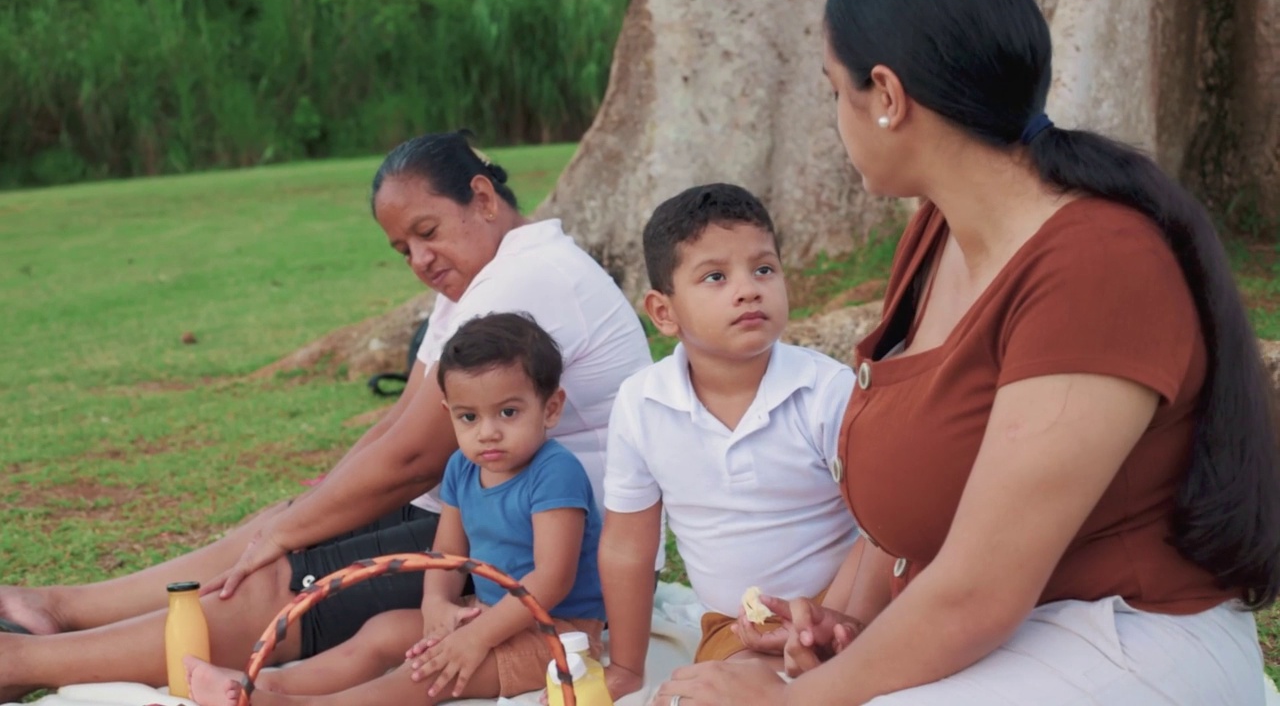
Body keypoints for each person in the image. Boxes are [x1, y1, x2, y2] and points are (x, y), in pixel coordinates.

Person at [650, 0, 1280, 705]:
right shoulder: (937, 235)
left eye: (836, 91)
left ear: (885, 93)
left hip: (1125, 638)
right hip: (1000, 633)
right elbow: (915, 497)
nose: (836, 118)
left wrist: (788, 701)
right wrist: (841, 627)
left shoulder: (1097, 264)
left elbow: (981, 590)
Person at [0, 131, 651, 702]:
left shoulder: (529, 278)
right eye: (404, 249)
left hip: (545, 534)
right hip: (484, 499)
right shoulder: (483, 279)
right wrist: (298, 516)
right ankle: (57, 608)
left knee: (279, 576)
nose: (420, 261)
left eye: (427, 232)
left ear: (482, 197)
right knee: (279, 529)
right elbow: (396, 425)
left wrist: (296, 534)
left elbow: (412, 459)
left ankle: (24, 660)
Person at [184, 312, 607, 706]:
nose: (488, 433)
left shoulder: (555, 473)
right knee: (382, 632)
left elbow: (552, 579)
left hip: (560, 634)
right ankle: (260, 684)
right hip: (488, 614)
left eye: (508, 412)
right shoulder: (462, 467)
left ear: (550, 408)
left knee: (424, 674)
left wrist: (477, 637)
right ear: (450, 415)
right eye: (468, 418)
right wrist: (437, 606)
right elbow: (446, 558)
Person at [598, 183, 859, 701]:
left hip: (851, 605)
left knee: (851, 678)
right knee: (701, 694)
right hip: (735, 626)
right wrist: (627, 668)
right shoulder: (641, 403)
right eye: (715, 277)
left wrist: (833, 618)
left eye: (763, 269)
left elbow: (883, 530)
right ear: (663, 312)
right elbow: (629, 547)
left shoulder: (826, 391)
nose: (748, 289)